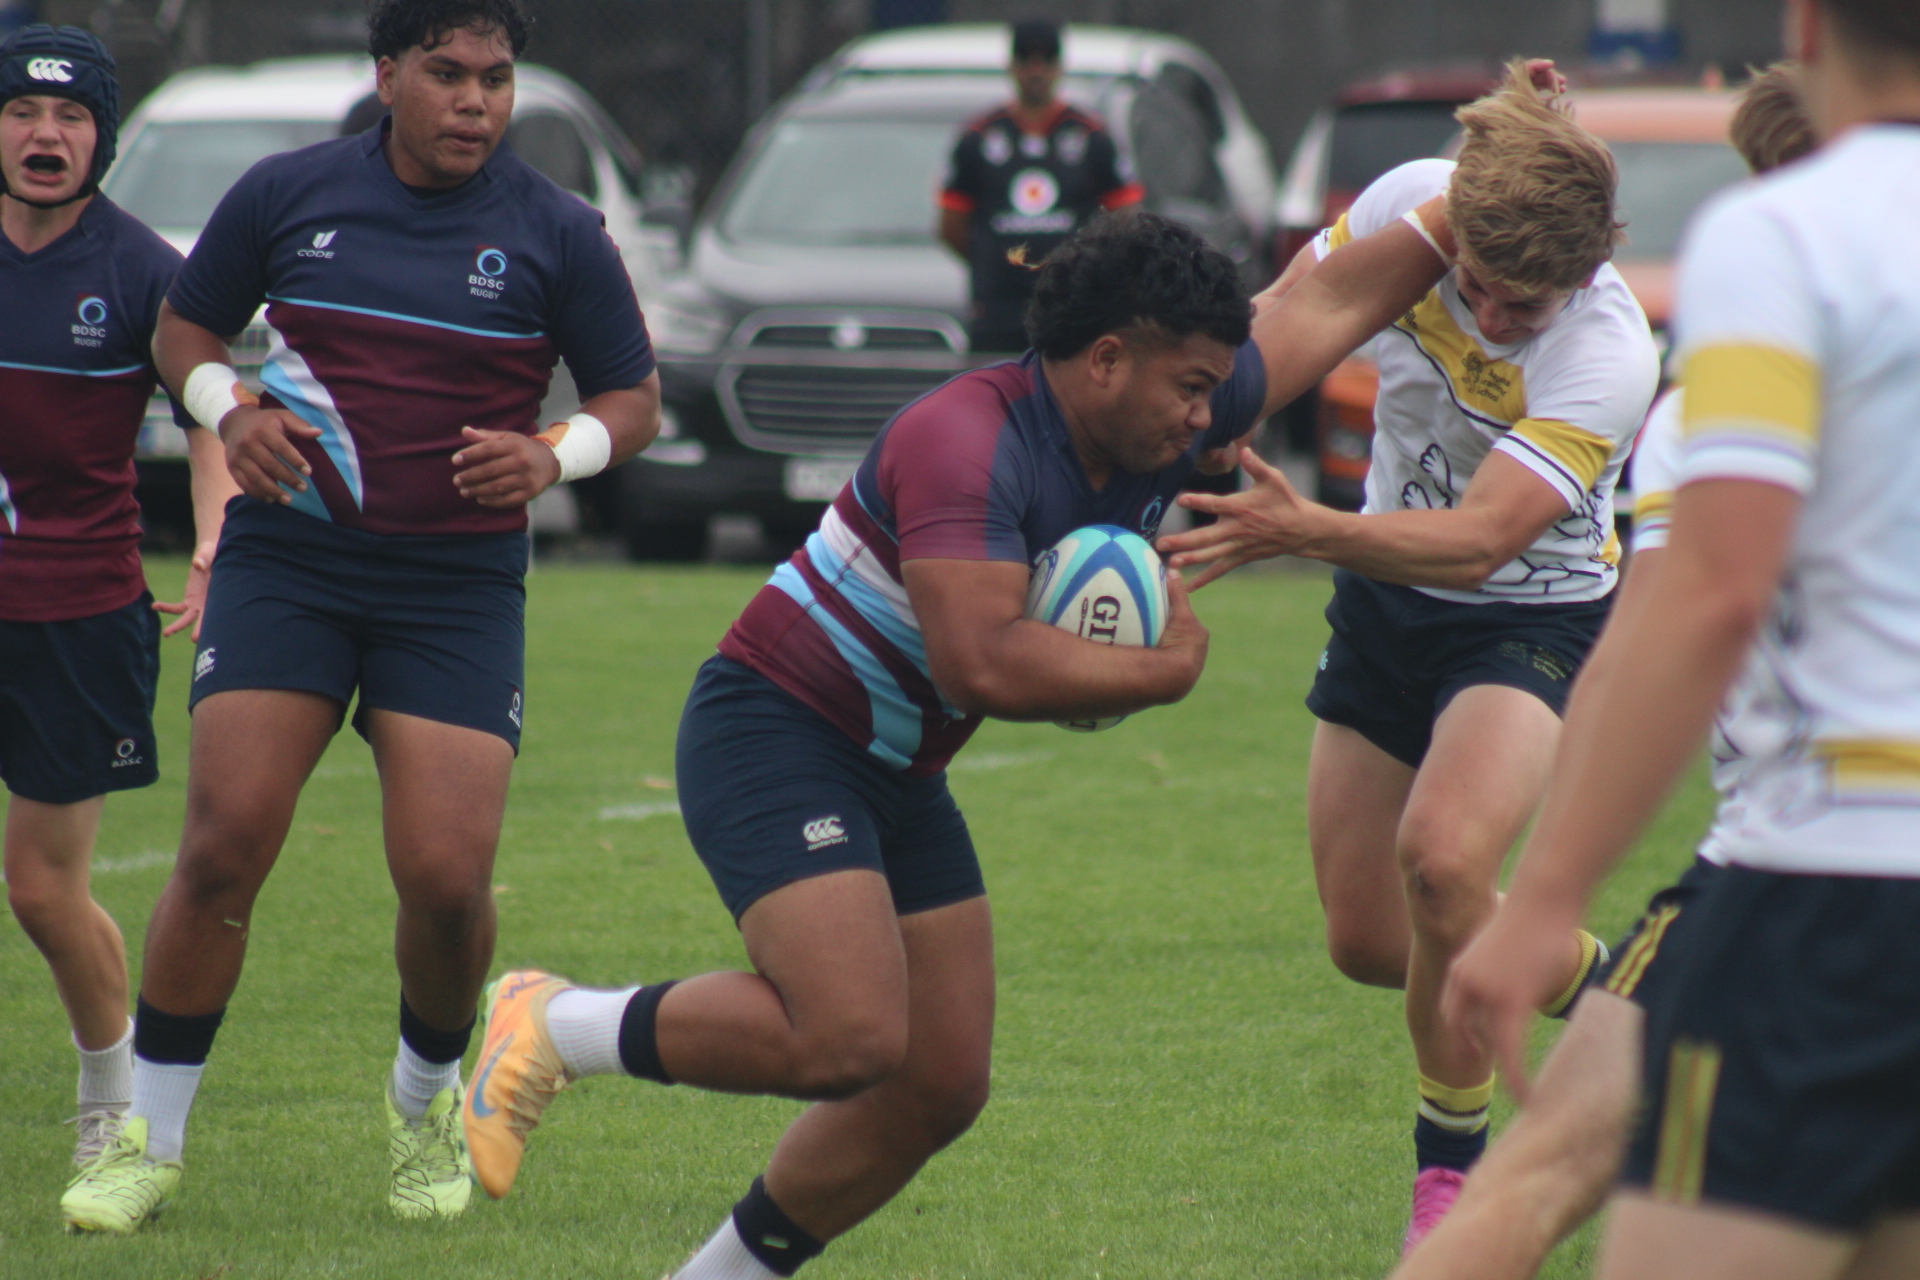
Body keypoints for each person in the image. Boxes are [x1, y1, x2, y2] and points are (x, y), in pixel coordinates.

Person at [460, 209, 1460, 1280]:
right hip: (776, 729)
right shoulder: (967, 440)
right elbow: (982, 662)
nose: (1209, 416)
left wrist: (1485, 195)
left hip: (898, 766)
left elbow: (1331, 298)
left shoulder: (1161, 409)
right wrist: (1166, 670)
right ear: (1107, 360)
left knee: (940, 1081)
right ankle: (558, 1022)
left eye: (1216, 388)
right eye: (1191, 388)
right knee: (848, 1035)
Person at [57, 0, 661, 1234]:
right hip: (293, 562)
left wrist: (554, 454)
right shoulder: (290, 194)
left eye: (496, 77)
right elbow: (184, 330)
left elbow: (633, 398)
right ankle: (148, 1141)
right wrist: (231, 410)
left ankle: (423, 1101)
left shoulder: (556, 229)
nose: (476, 101)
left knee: (446, 878)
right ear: (388, 76)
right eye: (448, 73)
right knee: (225, 842)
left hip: (454, 587)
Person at [1445, 1, 1920, 1275]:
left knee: (1546, 1180)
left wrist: (1546, 900)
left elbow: (1708, 595)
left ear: (1807, 26)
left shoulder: (1787, 238)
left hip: (1835, 882)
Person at [1159, 62, 1660, 1249]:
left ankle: (1450, 1174)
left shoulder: (1609, 353)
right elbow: (1289, 310)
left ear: (1587, 268)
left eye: (1523, 306)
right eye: (1474, 286)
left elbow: (1483, 541)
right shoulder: (1413, 205)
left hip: (1527, 614)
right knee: (1372, 941)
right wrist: (1202, 413)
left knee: (1443, 865)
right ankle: (1626, 983)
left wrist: (1306, 529)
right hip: (1386, 599)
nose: (1491, 316)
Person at [1389, 63, 1820, 1280]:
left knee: (1530, 1190)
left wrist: (1541, 901)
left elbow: (1672, 639)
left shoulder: (1717, 402)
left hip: (1794, 882)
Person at [0, 21, 236, 1212]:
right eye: (22, 112)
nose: (45, 135)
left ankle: (112, 1096)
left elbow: (211, 414)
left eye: (71, 117)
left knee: (42, 888)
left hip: (77, 610)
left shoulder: (146, 270)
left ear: (102, 136)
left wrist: (215, 536)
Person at [938, 18, 1144, 354]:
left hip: (1072, 308)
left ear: (1060, 67)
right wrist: (994, 260)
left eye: (1047, 59)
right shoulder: (979, 138)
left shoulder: (1090, 136)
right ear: (1011, 65)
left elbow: (1126, 220)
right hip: (999, 311)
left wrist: (1089, 271)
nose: (1036, 71)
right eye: (1026, 59)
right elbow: (951, 227)